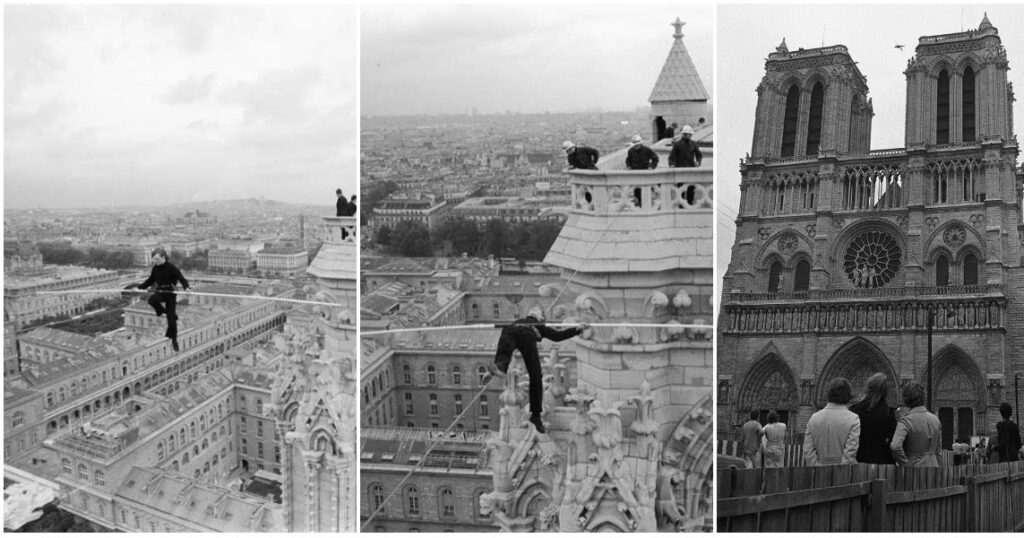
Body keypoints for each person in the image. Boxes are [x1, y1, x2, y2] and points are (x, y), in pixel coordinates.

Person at [487, 307, 587, 434]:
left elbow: (507, 339)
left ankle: (499, 368)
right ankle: (535, 415)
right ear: (539, 317)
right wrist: (576, 330)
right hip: (526, 336)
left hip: (508, 331)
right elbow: (557, 336)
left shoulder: (518, 321)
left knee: (504, 353)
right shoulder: (538, 324)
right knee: (536, 376)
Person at [137, 247, 189, 351]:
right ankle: (162, 311)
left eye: (157, 259)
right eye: (154, 259)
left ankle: (174, 340)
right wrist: (139, 287)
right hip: (160, 291)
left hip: (170, 292)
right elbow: (150, 280)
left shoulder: (171, 268)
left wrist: (186, 288)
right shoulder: (155, 268)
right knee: (152, 300)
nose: (154, 261)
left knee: (171, 321)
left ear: (163, 257)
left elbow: (181, 278)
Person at [803, 378, 860, 465]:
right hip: (843, 474)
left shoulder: (814, 418)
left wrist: (818, 468)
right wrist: (837, 471)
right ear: (848, 395)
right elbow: (850, 454)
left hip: (817, 474)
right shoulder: (853, 419)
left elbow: (808, 452)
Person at [890, 381, 942, 466]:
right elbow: (938, 451)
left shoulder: (905, 420)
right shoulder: (936, 420)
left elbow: (895, 446)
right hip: (934, 469)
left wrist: (905, 463)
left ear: (905, 399)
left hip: (915, 471)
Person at [849, 373, 897, 464]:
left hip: (860, 460)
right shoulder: (888, 412)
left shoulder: (855, 410)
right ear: (885, 392)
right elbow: (893, 439)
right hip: (883, 462)